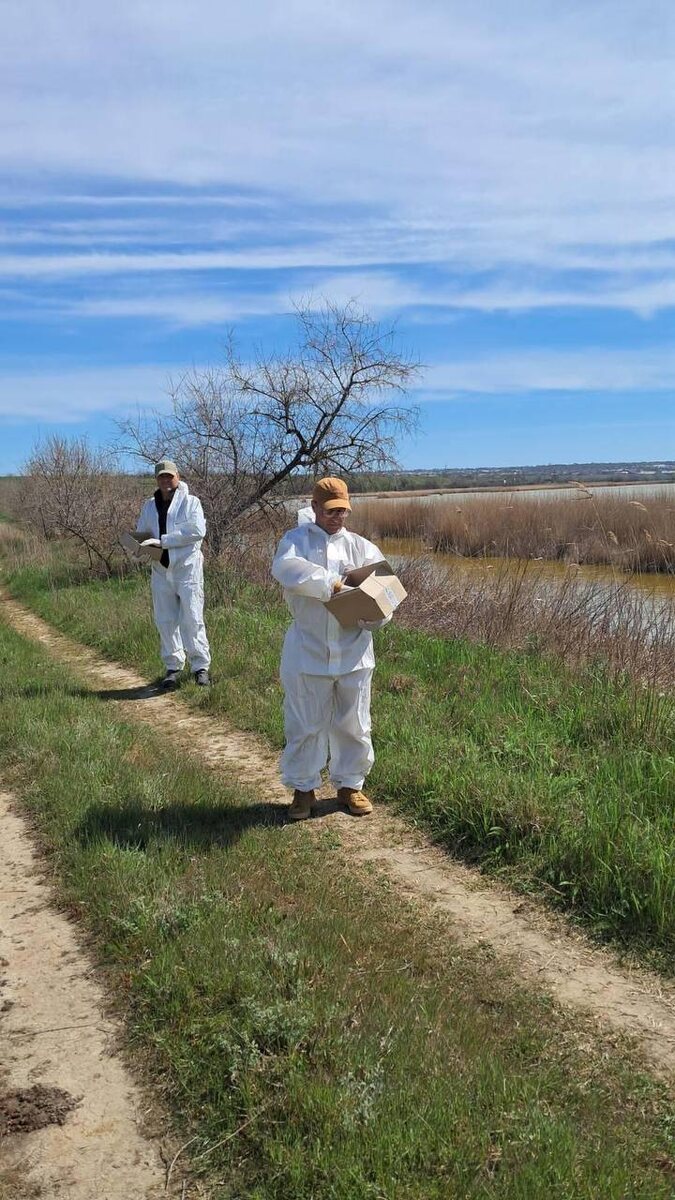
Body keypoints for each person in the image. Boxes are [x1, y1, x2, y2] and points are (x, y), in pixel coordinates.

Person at [271, 476, 391, 820]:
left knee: (354, 722)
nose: (337, 517)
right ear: (314, 508)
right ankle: (303, 790)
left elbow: (386, 594)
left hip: (354, 651)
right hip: (308, 651)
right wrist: (333, 584)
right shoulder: (295, 542)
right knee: (305, 723)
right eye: (330, 510)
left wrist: (373, 615)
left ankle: (350, 786)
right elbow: (287, 570)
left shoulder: (361, 547)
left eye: (343, 510)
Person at [136, 460, 211, 689]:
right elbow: (142, 532)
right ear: (156, 479)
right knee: (165, 620)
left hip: (187, 569)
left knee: (192, 618)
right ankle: (173, 667)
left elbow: (197, 531)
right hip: (160, 570)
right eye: (161, 477)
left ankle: (200, 667)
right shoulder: (150, 506)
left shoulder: (191, 502)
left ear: (177, 477)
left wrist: (164, 541)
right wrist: (139, 547)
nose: (166, 481)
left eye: (169, 476)